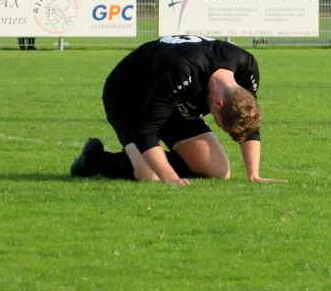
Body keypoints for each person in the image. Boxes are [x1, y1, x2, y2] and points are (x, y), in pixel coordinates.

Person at [70, 34, 284, 185]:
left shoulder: (246, 68)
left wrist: (253, 174)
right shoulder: (184, 70)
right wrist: (171, 178)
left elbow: (249, 118)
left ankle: (157, 161)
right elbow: (146, 131)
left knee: (218, 171)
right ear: (218, 104)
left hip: (174, 97)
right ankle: (93, 160)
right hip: (130, 95)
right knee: (150, 175)